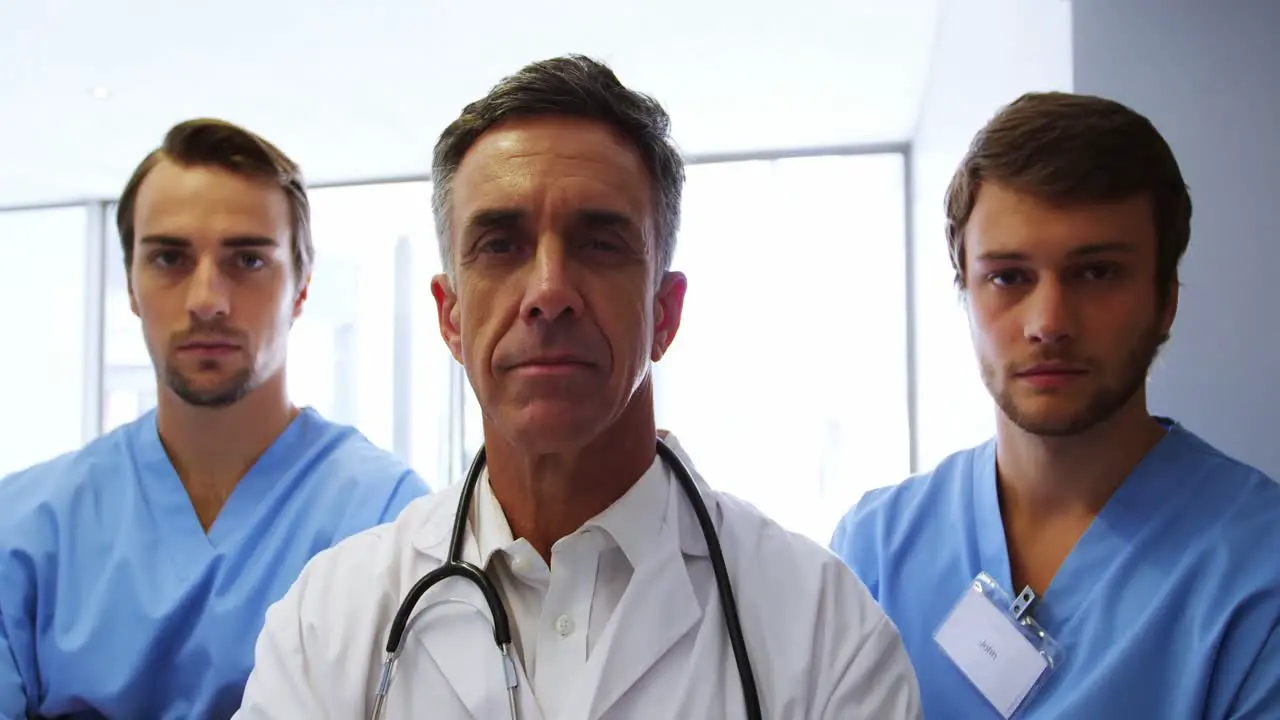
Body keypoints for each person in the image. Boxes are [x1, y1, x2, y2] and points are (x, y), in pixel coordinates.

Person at [234, 55, 922, 719]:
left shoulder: (824, 631)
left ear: (664, 313)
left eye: (599, 244)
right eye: (501, 245)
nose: (549, 292)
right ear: (451, 318)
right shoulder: (327, 623)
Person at [830, 91, 1280, 718]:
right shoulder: (876, 550)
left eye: (1096, 273)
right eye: (1009, 277)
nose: (1048, 323)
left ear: (1166, 299)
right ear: (966, 293)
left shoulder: (1260, 569)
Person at [0, 119, 431, 720]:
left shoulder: (394, 523)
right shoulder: (22, 532)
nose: (207, 299)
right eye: (169, 257)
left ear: (302, 286)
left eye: (248, 260)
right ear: (130, 283)